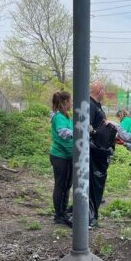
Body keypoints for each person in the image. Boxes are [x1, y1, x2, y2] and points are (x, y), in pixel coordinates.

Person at [89, 80, 112, 227]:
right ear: (99, 91)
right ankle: (91, 215)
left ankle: (94, 212)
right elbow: (88, 126)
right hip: (94, 152)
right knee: (93, 184)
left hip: (101, 151)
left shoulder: (97, 106)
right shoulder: (90, 105)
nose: (105, 93)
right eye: (104, 90)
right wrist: (98, 134)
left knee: (98, 184)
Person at [49, 91, 73, 227]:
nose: (72, 103)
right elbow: (62, 132)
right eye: (70, 101)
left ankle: (63, 212)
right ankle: (58, 215)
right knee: (60, 185)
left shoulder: (67, 116)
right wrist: (79, 131)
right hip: (59, 156)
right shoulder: (58, 117)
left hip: (68, 156)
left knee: (67, 185)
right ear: (64, 103)